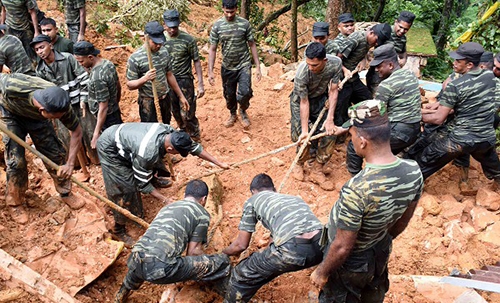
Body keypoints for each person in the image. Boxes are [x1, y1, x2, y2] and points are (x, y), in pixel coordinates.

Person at [310, 99, 424, 303]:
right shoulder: (414, 171)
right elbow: (403, 221)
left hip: (351, 261)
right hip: (379, 250)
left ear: (362, 141)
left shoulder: (357, 189)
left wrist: (321, 273)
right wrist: (379, 238)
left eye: (351, 135)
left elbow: (342, 246)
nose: (351, 140)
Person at [97, 123, 230, 246]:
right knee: (126, 186)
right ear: (170, 148)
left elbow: (193, 147)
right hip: (109, 148)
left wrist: (219, 163)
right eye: (178, 153)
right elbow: (141, 184)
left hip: (129, 140)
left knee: (152, 161)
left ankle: (152, 178)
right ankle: (118, 228)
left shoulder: (170, 132)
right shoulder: (147, 154)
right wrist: (164, 199)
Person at [113, 179, 231, 303]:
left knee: (143, 258)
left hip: (135, 259)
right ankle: (228, 296)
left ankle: (121, 295)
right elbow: (193, 252)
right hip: (160, 268)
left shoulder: (167, 207)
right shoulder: (202, 213)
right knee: (222, 262)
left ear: (185, 195)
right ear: (204, 199)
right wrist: (203, 265)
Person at [223, 173, 323, 303]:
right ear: (274, 189)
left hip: (293, 249)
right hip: (323, 246)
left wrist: (223, 254)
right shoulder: (293, 199)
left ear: (253, 191)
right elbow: (276, 237)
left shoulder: (253, 200)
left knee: (242, 274)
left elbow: (241, 245)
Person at [408, 42, 500, 183]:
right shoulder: (491, 78)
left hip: (460, 140)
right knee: (495, 168)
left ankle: (403, 189)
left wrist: (410, 115)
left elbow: (439, 118)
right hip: (486, 138)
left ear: (469, 65)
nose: (454, 63)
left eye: (458, 61)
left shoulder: (456, 86)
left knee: (423, 159)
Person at [0, 73, 82, 224]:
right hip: (11, 113)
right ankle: (15, 203)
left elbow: (77, 131)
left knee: (55, 154)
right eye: (54, 118)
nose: (58, 120)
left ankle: (65, 192)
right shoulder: (13, 86)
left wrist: (70, 163)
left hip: (37, 119)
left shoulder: (60, 105)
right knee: (16, 161)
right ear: (42, 109)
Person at [345, 44, 421, 175]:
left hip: (399, 132)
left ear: (390, 65)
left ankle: (356, 178)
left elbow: (375, 115)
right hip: (415, 130)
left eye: (379, 66)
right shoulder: (410, 75)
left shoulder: (386, 85)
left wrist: (349, 126)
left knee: (355, 145)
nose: (376, 70)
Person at [31, 34, 93, 178]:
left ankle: (96, 162)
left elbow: (84, 78)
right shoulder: (40, 70)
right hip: (60, 110)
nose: (40, 51)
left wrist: (84, 99)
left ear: (50, 45)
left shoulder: (68, 58)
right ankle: (78, 166)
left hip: (78, 103)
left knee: (88, 131)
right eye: (37, 50)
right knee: (67, 138)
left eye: (42, 47)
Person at [290, 42, 342, 190]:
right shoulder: (302, 72)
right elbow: (304, 102)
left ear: (324, 61)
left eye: (315, 65)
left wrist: (330, 118)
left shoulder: (335, 63)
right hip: (300, 100)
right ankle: (299, 162)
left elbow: (333, 90)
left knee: (330, 133)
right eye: (309, 64)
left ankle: (317, 169)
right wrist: (306, 131)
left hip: (320, 98)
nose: (311, 68)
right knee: (301, 136)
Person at [208, 0, 261, 129]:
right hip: (227, 66)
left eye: (232, 12)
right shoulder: (217, 26)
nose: (230, 15)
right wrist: (210, 71)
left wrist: (258, 66)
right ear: (222, 9)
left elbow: (252, 44)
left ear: (236, 9)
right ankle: (232, 114)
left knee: (245, 92)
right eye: (227, 12)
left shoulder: (244, 24)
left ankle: (242, 111)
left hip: (244, 64)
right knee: (229, 94)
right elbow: (213, 49)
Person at [126, 21, 189, 124]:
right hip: (148, 103)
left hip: (165, 99)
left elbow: (169, 74)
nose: (159, 46)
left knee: (165, 127)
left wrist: (181, 96)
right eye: (155, 43)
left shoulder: (164, 52)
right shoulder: (135, 58)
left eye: (160, 43)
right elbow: (130, 85)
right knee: (151, 133)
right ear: (146, 38)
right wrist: (145, 79)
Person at [335, 23, 391, 126]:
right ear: (371, 33)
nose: (376, 44)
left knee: (368, 101)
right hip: (344, 80)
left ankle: (363, 125)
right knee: (340, 110)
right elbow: (336, 59)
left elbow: (361, 51)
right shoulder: (355, 39)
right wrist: (345, 70)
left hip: (354, 79)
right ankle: (339, 133)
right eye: (376, 41)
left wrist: (363, 59)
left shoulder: (369, 41)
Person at [163, 9, 204, 142]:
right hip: (167, 81)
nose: (172, 30)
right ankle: (182, 131)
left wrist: (200, 83)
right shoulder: (160, 40)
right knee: (174, 109)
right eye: (170, 27)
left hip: (184, 80)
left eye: (175, 27)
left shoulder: (188, 40)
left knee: (188, 111)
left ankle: (194, 134)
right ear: (164, 24)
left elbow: (196, 61)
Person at [73, 41, 122, 149]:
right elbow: (118, 86)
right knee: (119, 139)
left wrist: (96, 134)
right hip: (114, 111)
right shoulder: (107, 64)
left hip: (107, 118)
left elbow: (103, 107)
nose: (80, 64)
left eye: (81, 61)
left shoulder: (97, 77)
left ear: (90, 57)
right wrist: (115, 104)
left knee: (113, 145)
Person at [366, 12, 416, 95]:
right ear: (395, 22)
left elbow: (403, 52)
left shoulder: (403, 38)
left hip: (392, 75)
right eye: (400, 27)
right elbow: (367, 43)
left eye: (406, 29)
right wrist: (366, 59)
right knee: (377, 99)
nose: (402, 31)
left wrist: (403, 59)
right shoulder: (384, 32)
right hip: (377, 74)